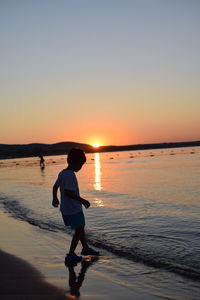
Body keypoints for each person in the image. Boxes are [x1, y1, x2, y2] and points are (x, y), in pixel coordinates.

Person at [52, 148, 99, 264]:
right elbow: (69, 192)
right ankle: (71, 254)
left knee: (80, 228)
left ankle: (85, 248)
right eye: (81, 165)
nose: (80, 168)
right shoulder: (70, 175)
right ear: (76, 163)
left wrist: (55, 197)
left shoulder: (62, 173)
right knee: (79, 230)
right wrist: (83, 200)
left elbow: (55, 187)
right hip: (73, 208)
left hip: (65, 209)